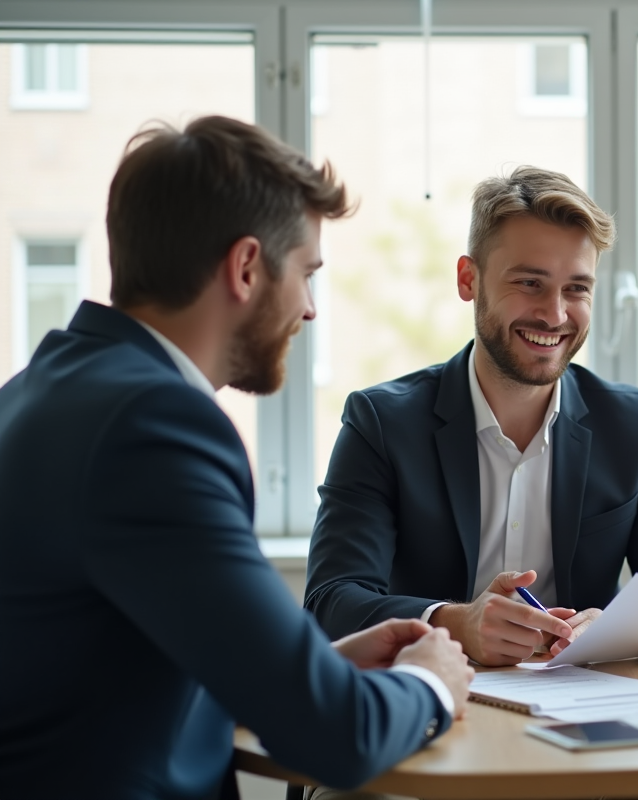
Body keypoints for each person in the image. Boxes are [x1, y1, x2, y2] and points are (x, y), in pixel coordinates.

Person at [0, 116, 474, 800]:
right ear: (247, 266)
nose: (309, 309)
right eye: (307, 273)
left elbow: (107, 669)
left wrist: (320, 667)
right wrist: (431, 680)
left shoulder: (40, 389)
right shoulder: (156, 427)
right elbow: (338, 738)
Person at [305, 166, 638, 668]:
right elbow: (331, 602)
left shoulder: (632, 423)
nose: (554, 315)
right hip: (432, 703)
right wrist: (453, 621)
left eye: (576, 288)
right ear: (469, 280)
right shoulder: (382, 423)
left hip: (584, 708)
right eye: (530, 283)